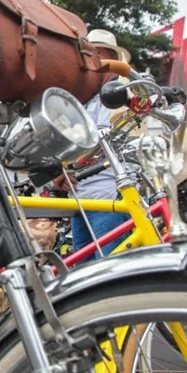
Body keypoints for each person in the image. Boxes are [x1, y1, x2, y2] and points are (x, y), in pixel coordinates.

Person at [60, 29, 133, 262]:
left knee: (107, 268)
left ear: (108, 58)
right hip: (84, 196)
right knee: (83, 268)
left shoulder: (121, 93)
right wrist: (63, 169)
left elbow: (104, 137)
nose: (90, 63)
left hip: (109, 195)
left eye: (95, 56)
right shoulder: (89, 98)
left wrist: (66, 166)